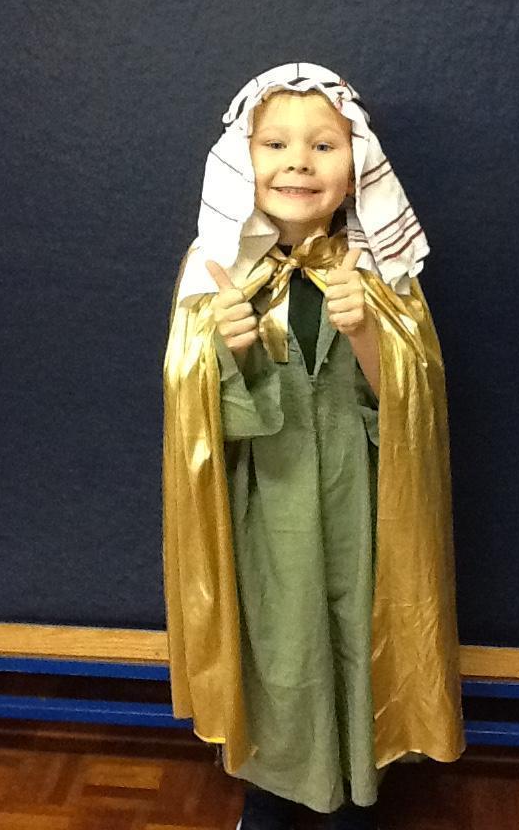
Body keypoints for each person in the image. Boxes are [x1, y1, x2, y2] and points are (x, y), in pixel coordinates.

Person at [162, 63, 465, 830]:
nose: (298, 161)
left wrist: (367, 332)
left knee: (358, 640)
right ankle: (267, 795)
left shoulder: (383, 271)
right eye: (276, 144)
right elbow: (193, 421)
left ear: (356, 165)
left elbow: (413, 408)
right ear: (243, 159)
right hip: (264, 507)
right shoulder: (214, 271)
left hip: (363, 506)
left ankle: (355, 797)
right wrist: (226, 351)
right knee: (277, 648)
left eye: (323, 145)